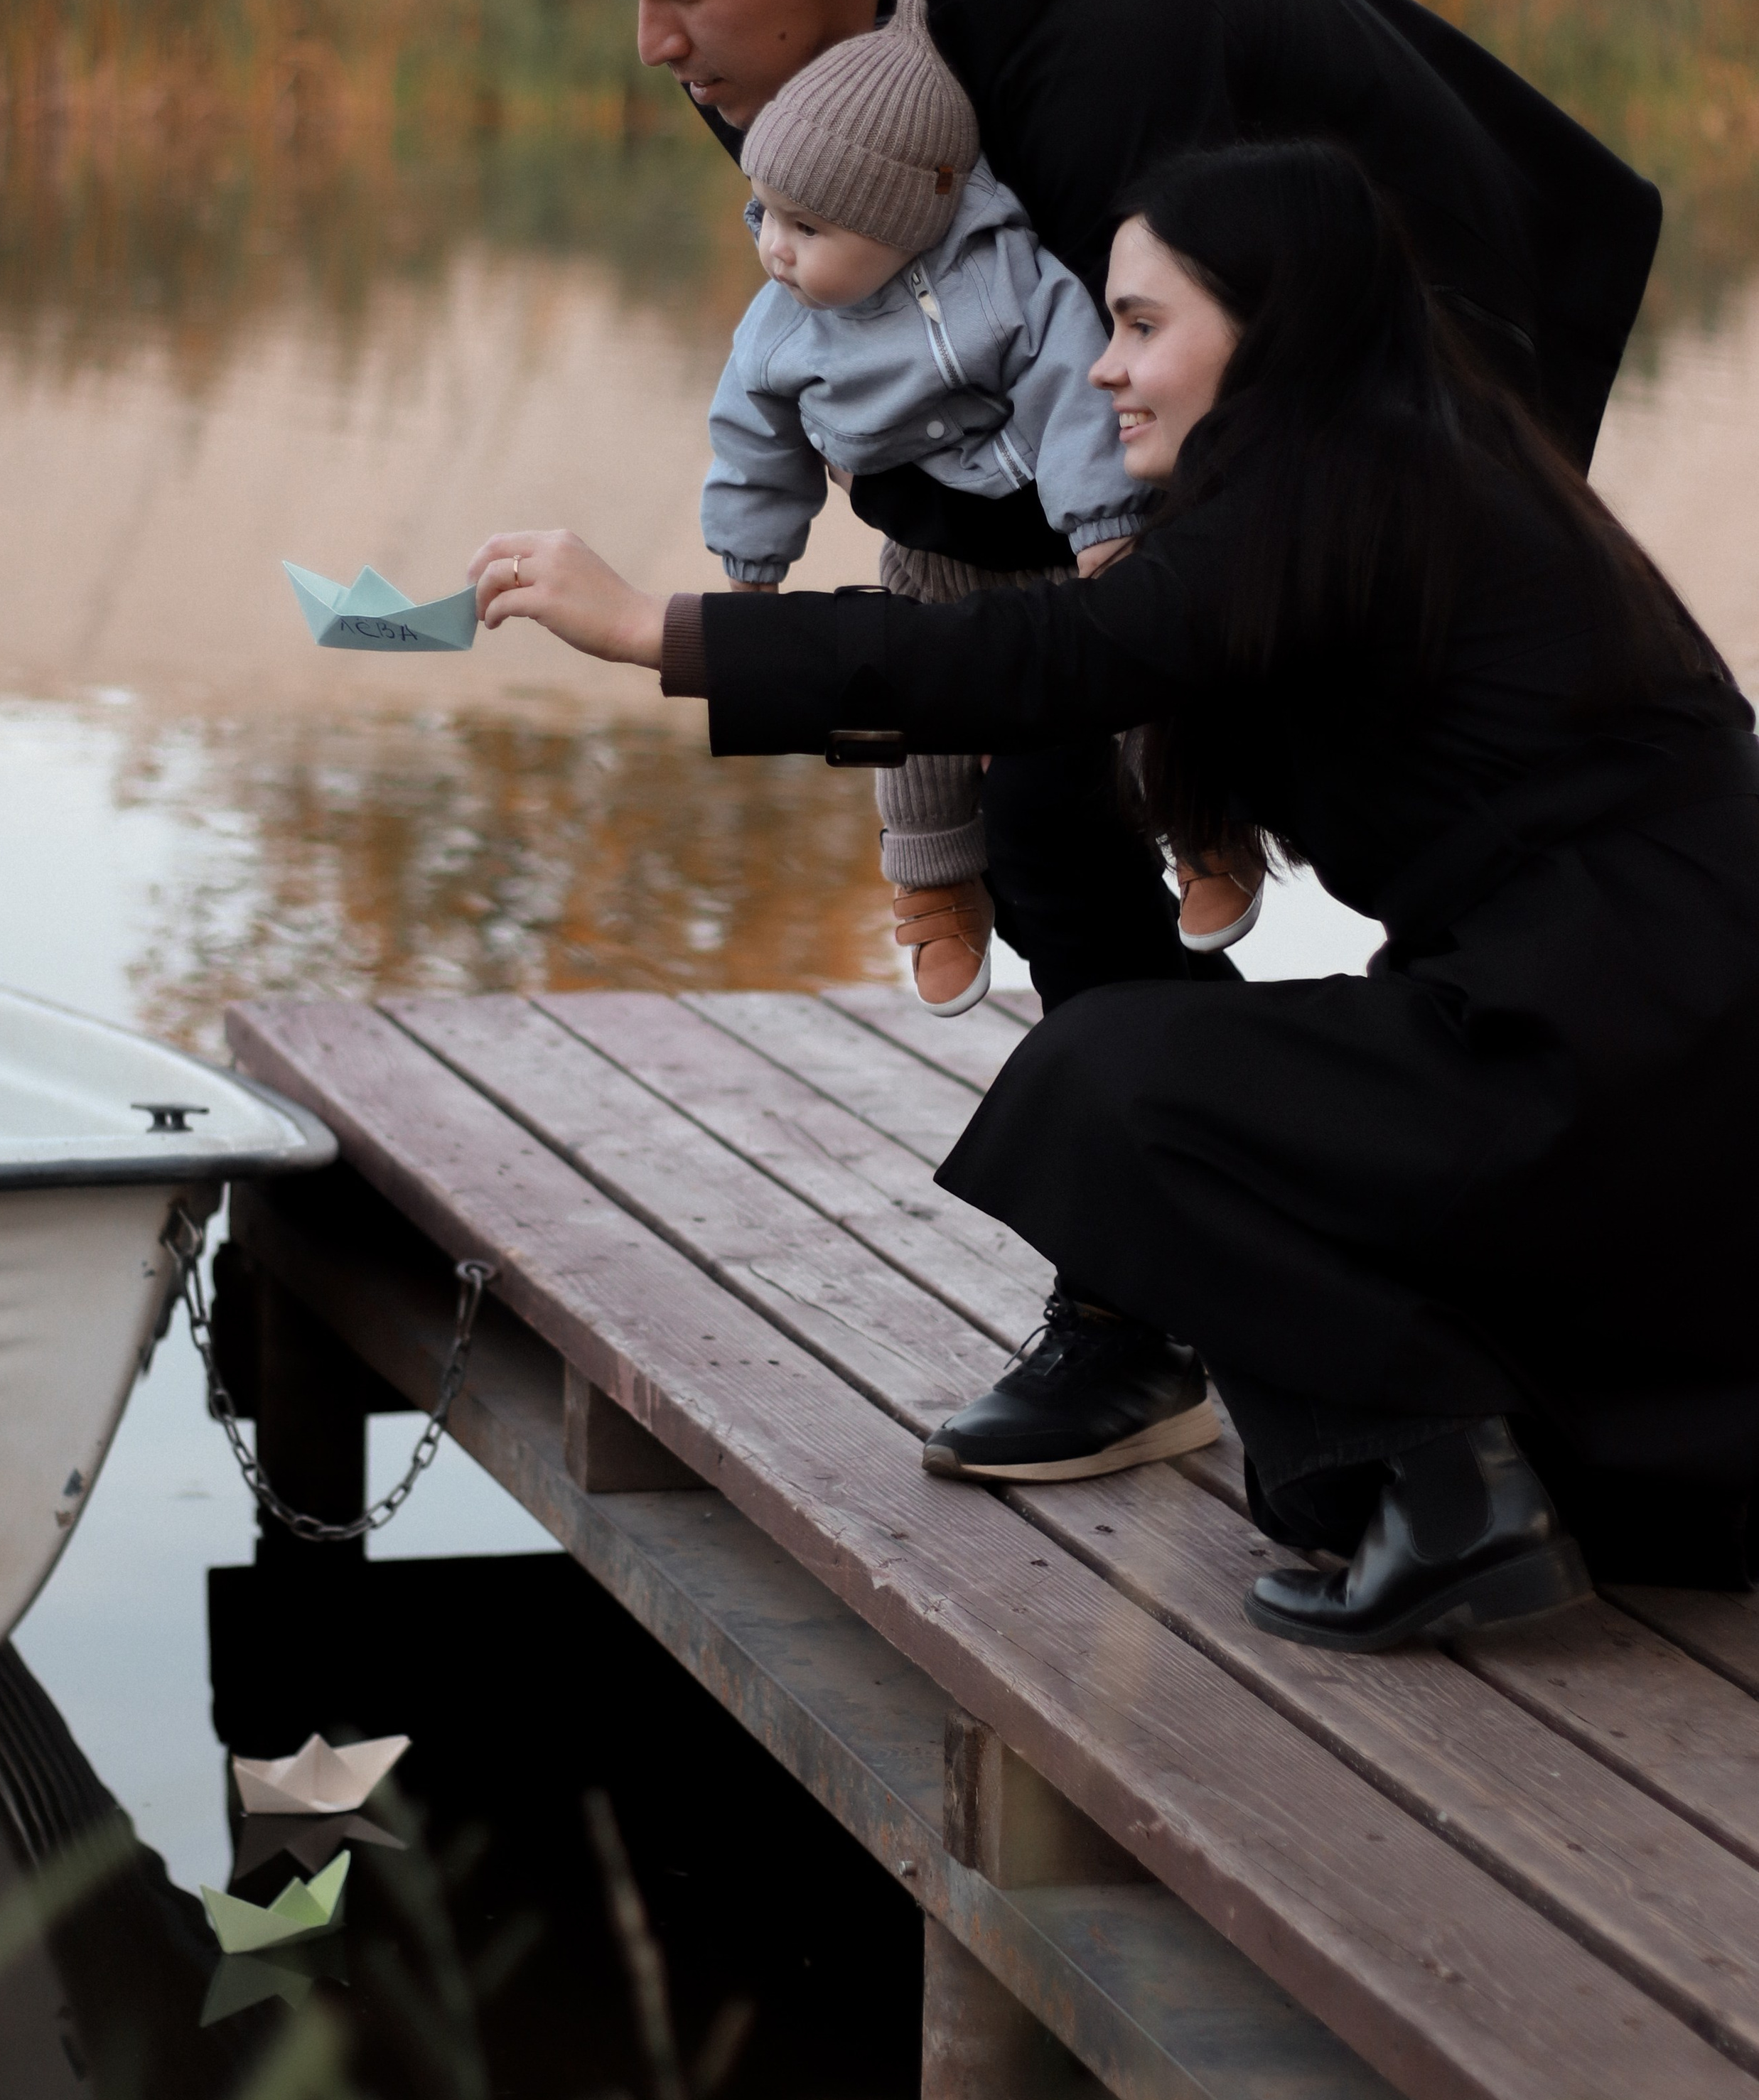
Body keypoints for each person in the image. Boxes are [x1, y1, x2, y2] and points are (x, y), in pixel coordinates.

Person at [466, 141, 1759, 1651]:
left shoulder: (1343, 487)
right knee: (1078, 899)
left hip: (1624, 1058)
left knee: (1105, 1082)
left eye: (1142, 325)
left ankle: (1451, 1486)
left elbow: (1051, 653)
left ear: (1272, 325)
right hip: (1640, 1051)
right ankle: (1422, 1460)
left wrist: (660, 630)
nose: (1101, 370)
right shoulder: (1394, 469)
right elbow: (1063, 681)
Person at [593, 0, 1662, 1010]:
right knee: (1035, 788)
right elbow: (897, 360)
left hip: (1436, 330)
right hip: (1200, 367)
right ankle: (1161, 1094)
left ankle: (1467, 1037)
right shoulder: (769, 54)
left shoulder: (1106, 40)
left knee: (1291, 754)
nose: (651, 41)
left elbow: (1132, 378)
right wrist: (936, 594)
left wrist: (981, 628)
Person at [709, 0, 1171, 1013]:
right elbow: (751, 439)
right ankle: (930, 878)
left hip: (1051, 538)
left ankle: (1204, 828)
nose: (775, 248)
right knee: (901, 708)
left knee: (1139, 667)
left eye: (807, 225)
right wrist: (751, 563)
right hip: (928, 552)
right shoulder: (781, 324)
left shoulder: (1006, 282)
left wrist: (1102, 523)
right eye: (764, 214)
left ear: (911, 218)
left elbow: (1075, 385)